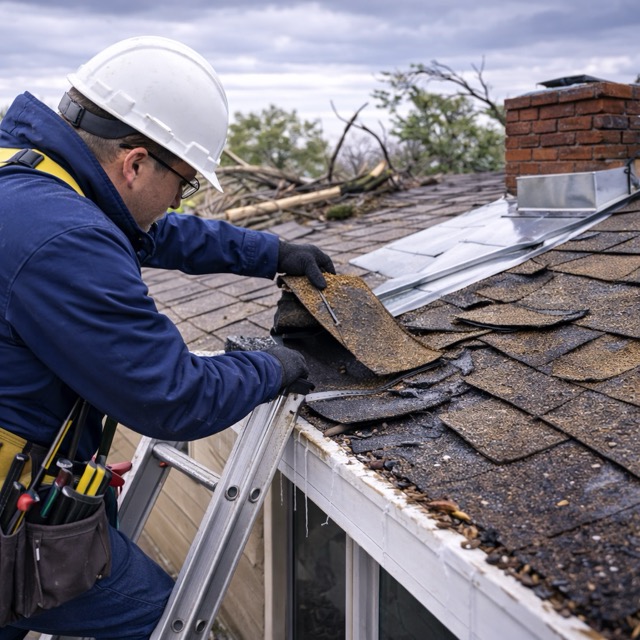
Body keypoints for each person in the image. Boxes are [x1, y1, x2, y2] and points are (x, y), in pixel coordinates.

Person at [0, 36, 334, 639]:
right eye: (184, 183)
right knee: (161, 621)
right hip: (10, 521)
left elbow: (150, 232)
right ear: (134, 162)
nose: (179, 199)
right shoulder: (62, 239)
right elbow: (171, 395)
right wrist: (274, 367)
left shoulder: (31, 179)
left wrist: (272, 253)